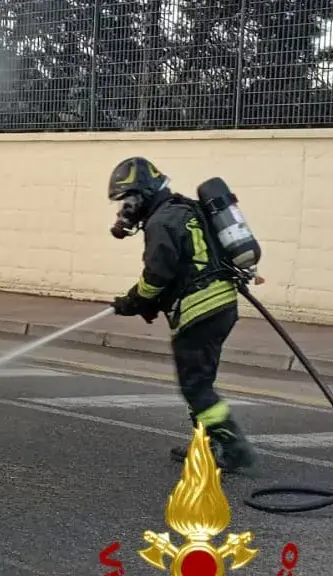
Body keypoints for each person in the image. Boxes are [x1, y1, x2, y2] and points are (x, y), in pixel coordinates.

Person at [105, 156, 257, 471]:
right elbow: (187, 264)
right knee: (201, 381)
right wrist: (149, 303)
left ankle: (234, 448)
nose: (124, 209)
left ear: (142, 194)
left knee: (196, 387)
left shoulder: (161, 222)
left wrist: (134, 300)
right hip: (221, 305)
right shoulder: (187, 209)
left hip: (199, 311)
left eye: (127, 200)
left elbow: (158, 274)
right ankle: (207, 446)